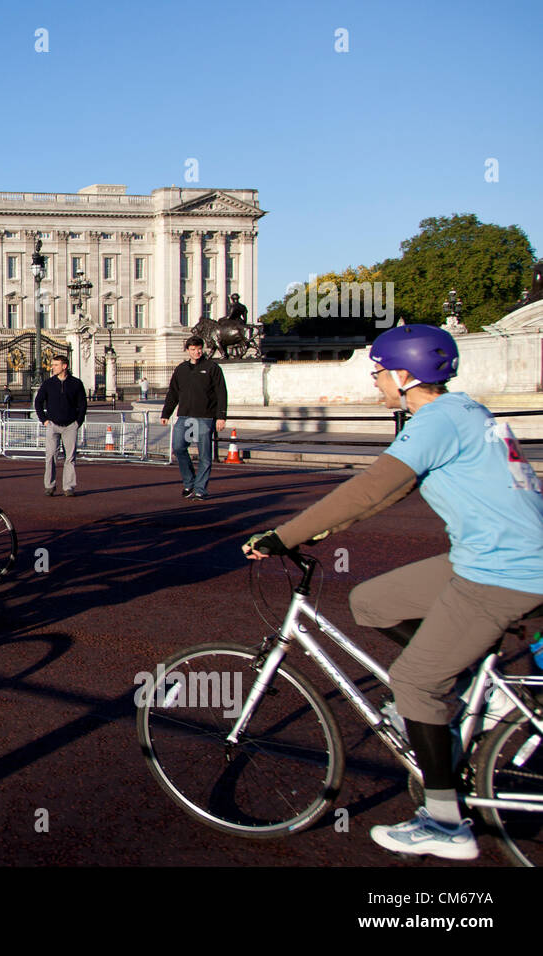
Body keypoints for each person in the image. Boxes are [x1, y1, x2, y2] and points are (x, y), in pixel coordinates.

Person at [243, 324, 543, 861]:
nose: (376, 383)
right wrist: (320, 531)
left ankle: (445, 823)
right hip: (500, 555)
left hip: (504, 569)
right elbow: (389, 491)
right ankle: (469, 682)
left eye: (379, 373)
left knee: (415, 680)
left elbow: (371, 486)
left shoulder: (433, 422)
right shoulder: (466, 411)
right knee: (373, 601)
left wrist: (282, 536)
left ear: (404, 376)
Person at [161, 335, 227, 500]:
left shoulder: (212, 368)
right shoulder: (181, 369)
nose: (197, 352)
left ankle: (200, 488)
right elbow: (173, 393)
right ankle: (189, 483)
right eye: (193, 349)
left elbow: (221, 393)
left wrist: (221, 416)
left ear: (202, 349)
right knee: (178, 448)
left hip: (205, 417)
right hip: (184, 416)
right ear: (188, 350)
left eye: (199, 349)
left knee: (205, 454)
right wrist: (166, 413)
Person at [33, 354, 87, 497]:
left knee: (70, 458)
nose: (53, 367)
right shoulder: (48, 384)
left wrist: (78, 422)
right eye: (53, 365)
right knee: (50, 456)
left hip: (70, 426)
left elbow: (83, 405)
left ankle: (68, 487)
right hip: (53, 424)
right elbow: (38, 402)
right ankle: (49, 485)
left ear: (64, 366)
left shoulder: (76, 383)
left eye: (56, 365)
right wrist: (44, 420)